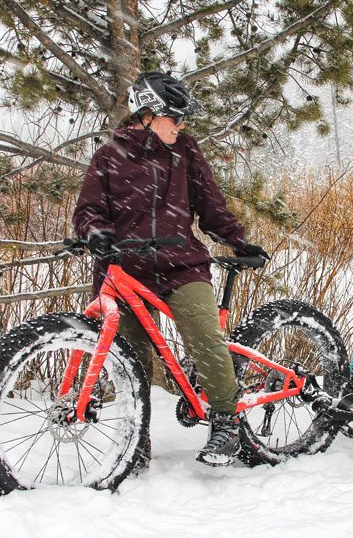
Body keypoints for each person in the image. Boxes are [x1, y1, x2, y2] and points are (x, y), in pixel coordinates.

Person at [72, 72, 269, 467]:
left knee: (202, 334)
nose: (181, 125)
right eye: (174, 117)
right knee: (132, 357)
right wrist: (96, 234)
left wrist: (236, 239)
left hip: (182, 264)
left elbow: (210, 204)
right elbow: (88, 211)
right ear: (147, 114)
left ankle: (227, 421)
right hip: (126, 270)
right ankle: (136, 435)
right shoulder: (109, 156)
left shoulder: (186, 152)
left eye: (182, 119)